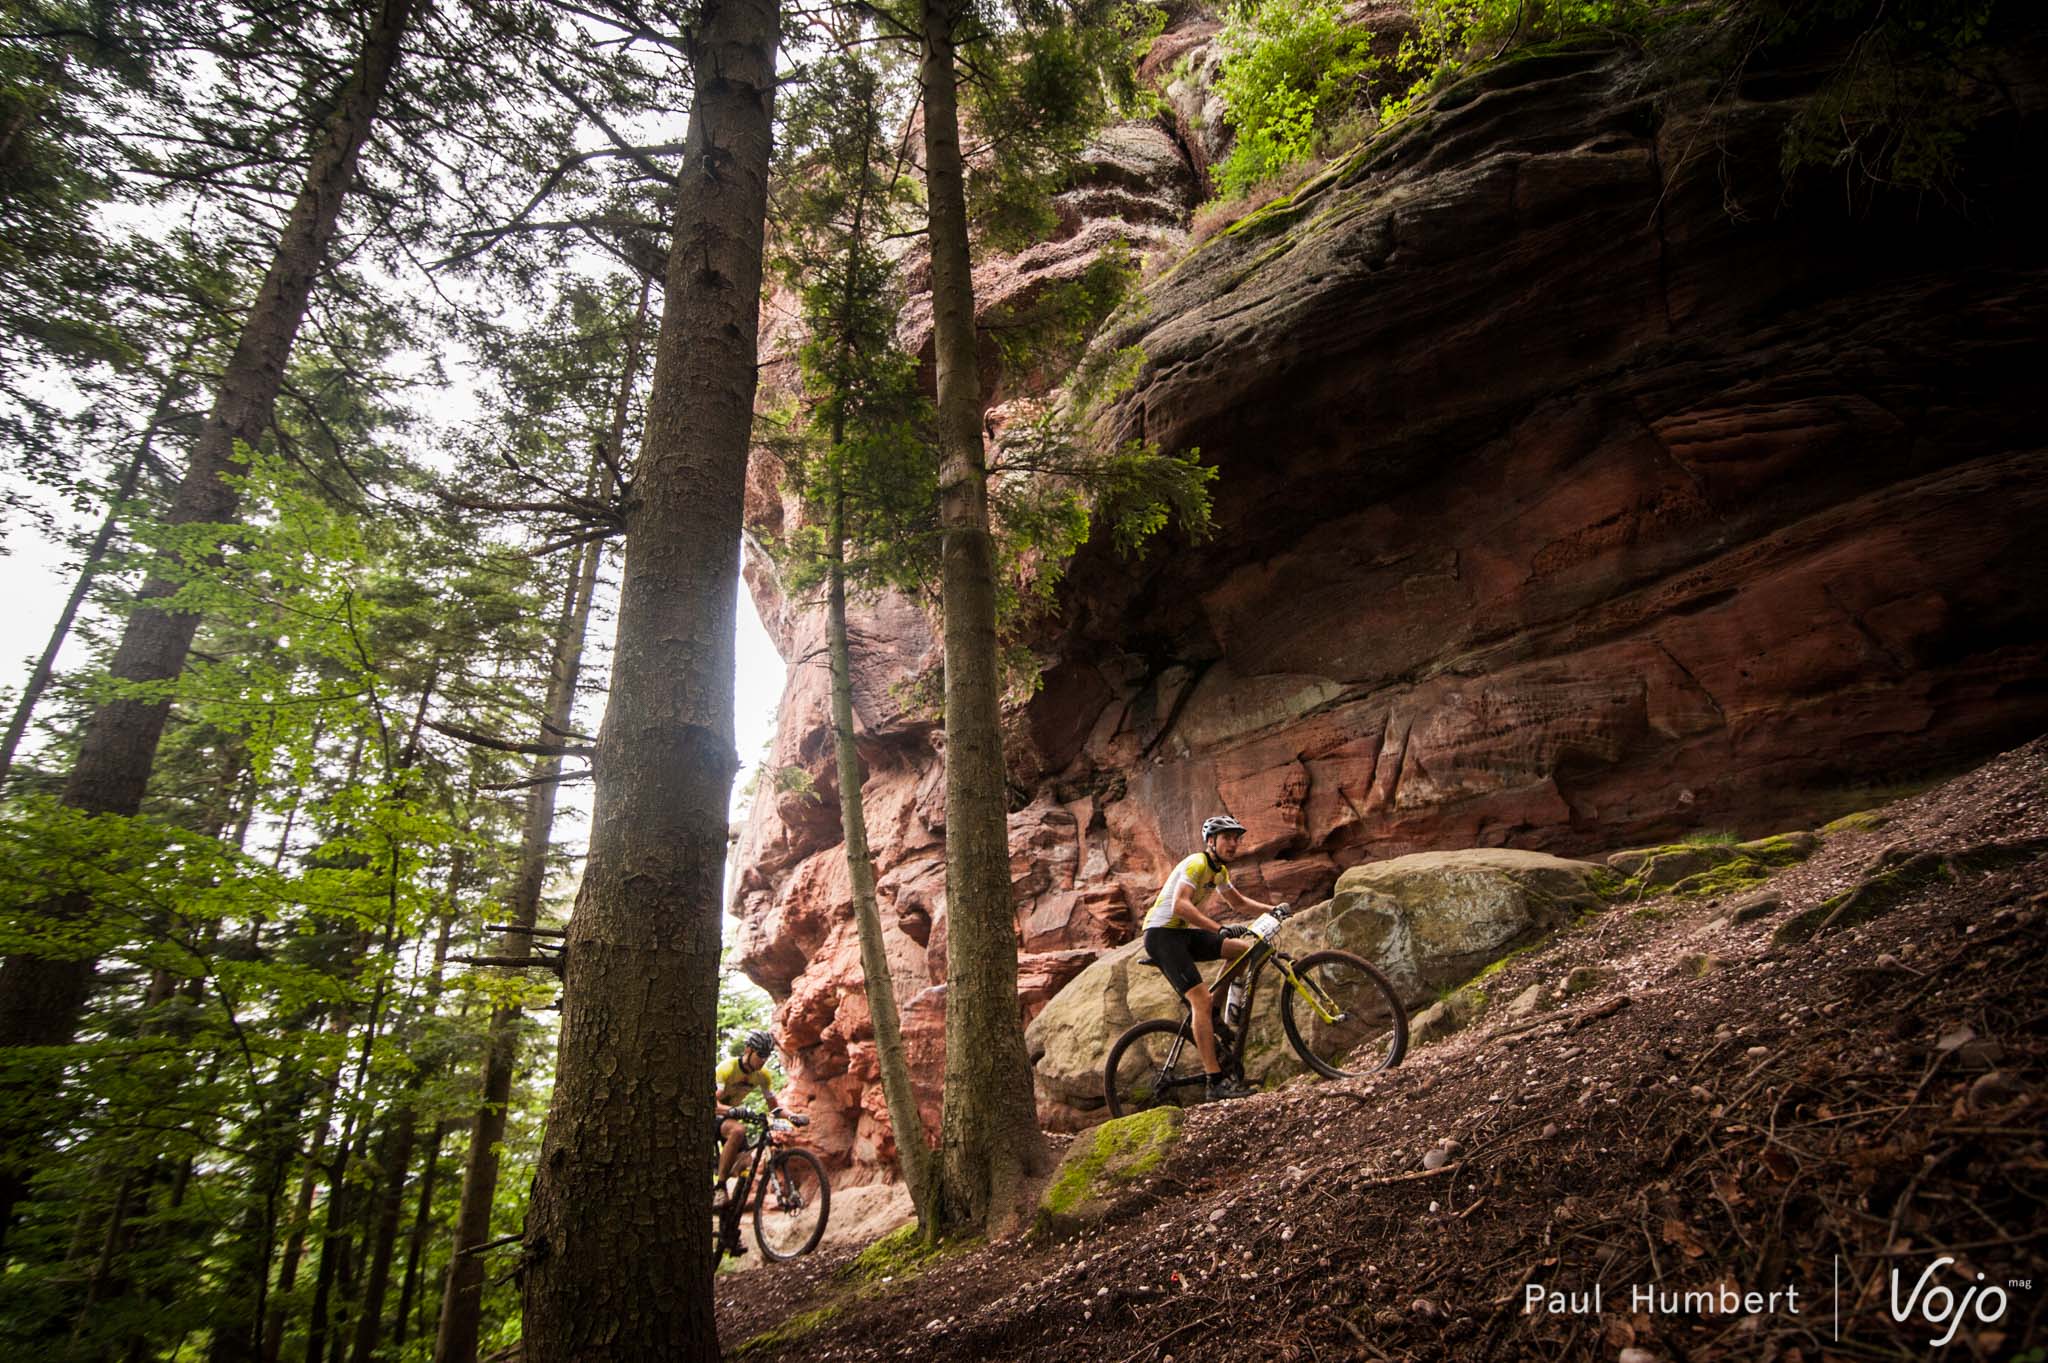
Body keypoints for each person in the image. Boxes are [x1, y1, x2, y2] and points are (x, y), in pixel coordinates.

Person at [1142, 814, 1285, 1101]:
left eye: (1236, 839)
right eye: (1227, 838)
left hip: (1179, 935)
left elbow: (1238, 902)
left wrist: (1273, 909)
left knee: (1244, 950)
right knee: (1200, 1000)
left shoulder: (1219, 871)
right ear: (1211, 841)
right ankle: (1214, 1081)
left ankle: (1216, 1014)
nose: (1233, 844)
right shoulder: (1197, 863)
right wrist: (1218, 929)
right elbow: (1180, 905)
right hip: (1161, 936)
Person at [713, 1029, 798, 1214]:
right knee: (738, 1130)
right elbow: (711, 1103)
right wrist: (732, 1110)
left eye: (767, 1056)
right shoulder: (727, 1069)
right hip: (714, 1116)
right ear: (748, 1050)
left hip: (731, 1116)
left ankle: (730, 1231)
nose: (763, 1060)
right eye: (760, 1055)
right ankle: (719, 1187)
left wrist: (792, 1116)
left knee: (746, 1167)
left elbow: (774, 1108)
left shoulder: (762, 1075)